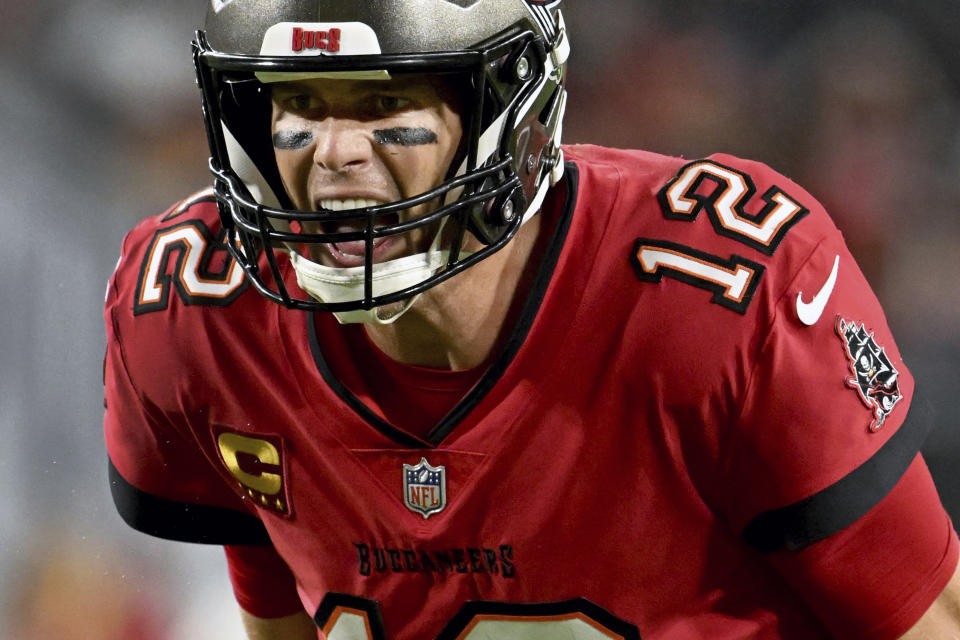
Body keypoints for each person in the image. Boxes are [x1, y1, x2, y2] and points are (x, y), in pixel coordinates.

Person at [103, 1, 960, 638]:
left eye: (380, 105)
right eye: (300, 106)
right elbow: (276, 586)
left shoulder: (720, 299)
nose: (333, 155)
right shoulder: (197, 317)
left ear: (506, 113)